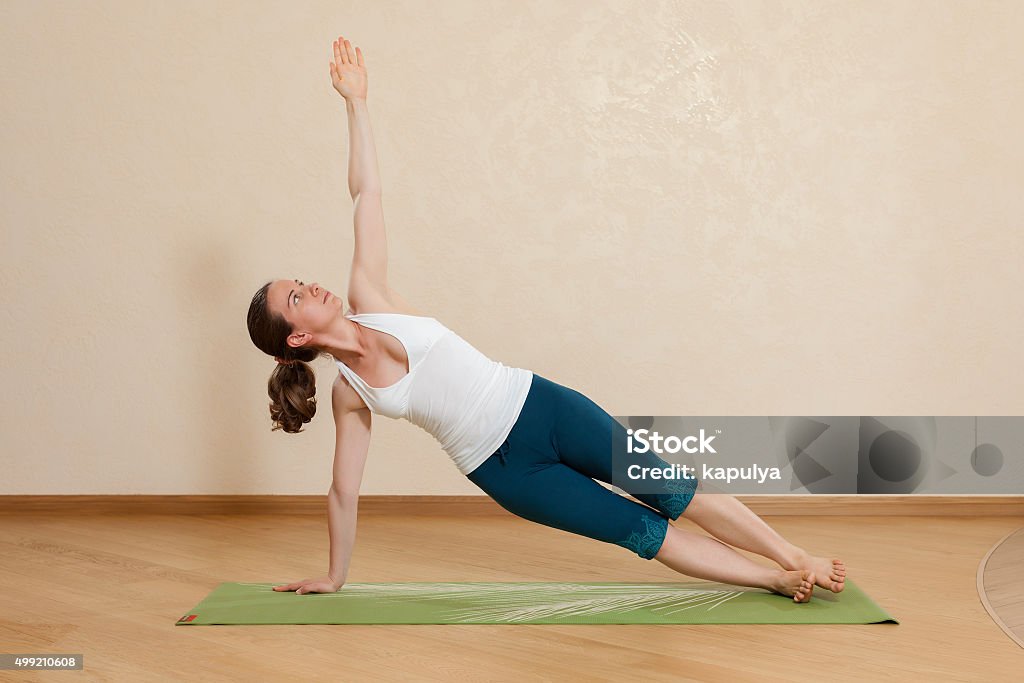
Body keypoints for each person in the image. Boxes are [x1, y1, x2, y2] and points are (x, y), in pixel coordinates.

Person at [247, 35, 846, 601]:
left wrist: (356, 104)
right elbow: (343, 492)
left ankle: (794, 556)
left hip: (542, 406)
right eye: (296, 297)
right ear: (296, 337)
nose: (311, 287)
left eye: (299, 282)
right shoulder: (349, 395)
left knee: (670, 487)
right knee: (643, 533)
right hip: (508, 472)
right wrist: (335, 574)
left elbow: (367, 193)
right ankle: (767, 580)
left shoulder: (368, 294)